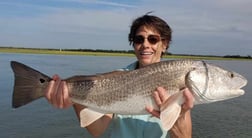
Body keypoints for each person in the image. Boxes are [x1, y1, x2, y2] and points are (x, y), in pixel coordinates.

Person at [45, 14, 194, 138]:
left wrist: (178, 117)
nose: (145, 45)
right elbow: (97, 130)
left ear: (165, 44)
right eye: (139, 39)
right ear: (133, 44)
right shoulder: (116, 79)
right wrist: (74, 98)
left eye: (153, 39)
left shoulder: (178, 79)